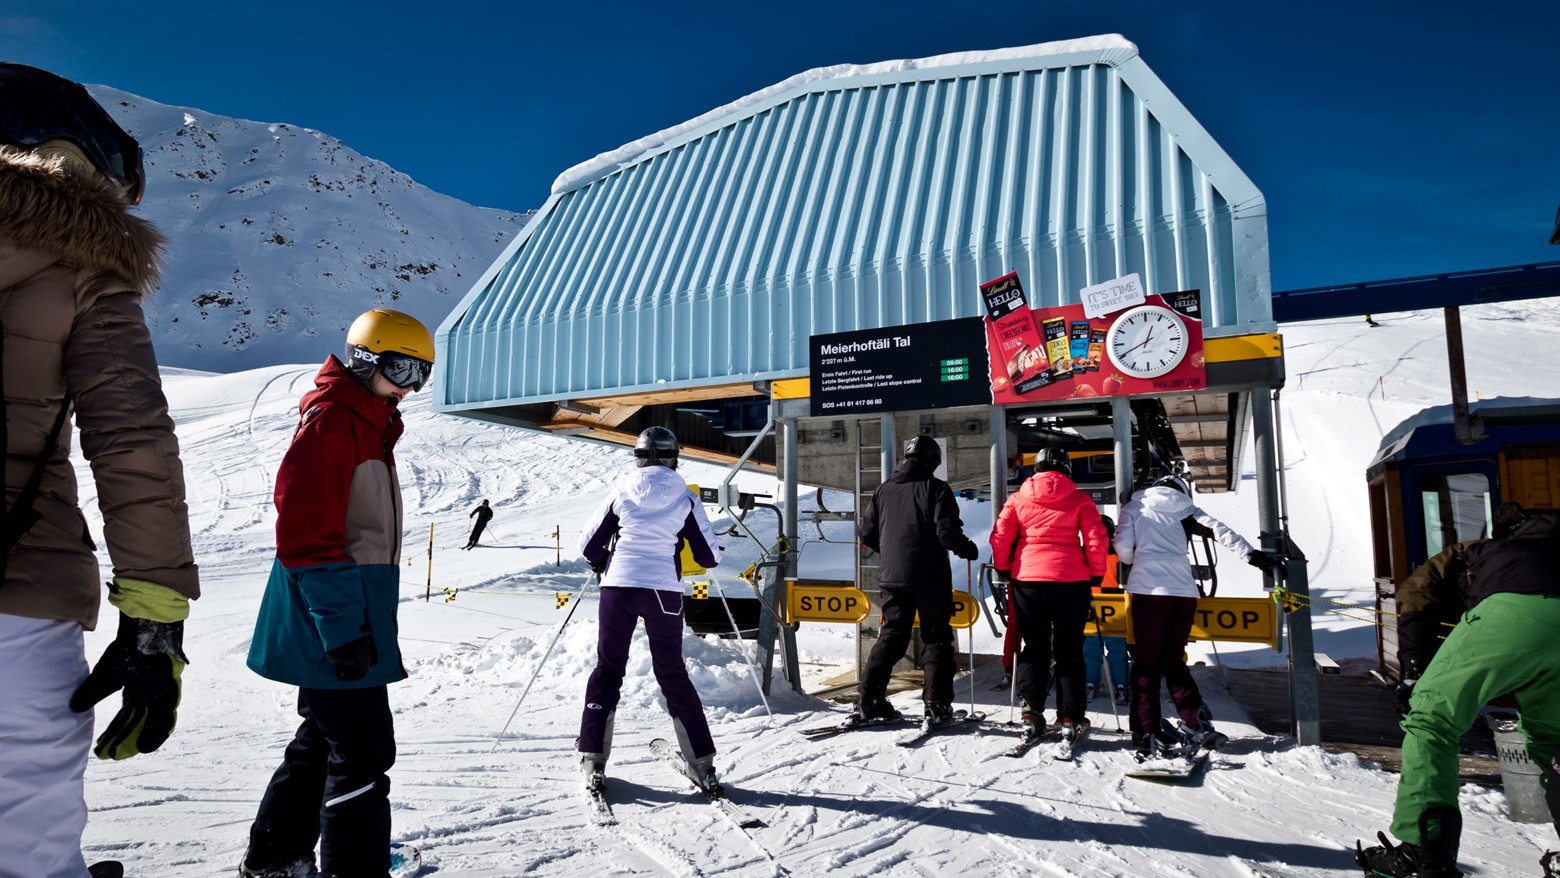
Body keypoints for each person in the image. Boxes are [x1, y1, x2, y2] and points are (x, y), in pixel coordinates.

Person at [0, 63, 200, 878]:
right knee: (29, 843)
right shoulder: (82, 267)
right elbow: (130, 438)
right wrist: (155, 614)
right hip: (18, 597)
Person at [240, 308, 435, 878]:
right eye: (401, 369)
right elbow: (307, 539)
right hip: (330, 621)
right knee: (364, 751)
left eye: (421, 374)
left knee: (322, 742)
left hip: (340, 619)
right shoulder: (333, 423)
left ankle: (276, 857)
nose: (409, 387)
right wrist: (344, 630)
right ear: (364, 359)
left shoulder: (366, 423)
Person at [1358, 505, 1560, 878]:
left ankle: (1421, 854)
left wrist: (1414, 675)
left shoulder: (1476, 549)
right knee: (1555, 740)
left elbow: (1416, 593)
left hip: (1513, 613)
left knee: (1431, 718)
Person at [577, 426, 724, 790]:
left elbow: (588, 544)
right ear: (674, 458)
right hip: (663, 591)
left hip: (619, 587)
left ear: (638, 457)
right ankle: (701, 763)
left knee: (608, 670)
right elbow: (708, 556)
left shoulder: (622, 488)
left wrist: (605, 560)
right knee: (672, 672)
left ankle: (593, 757)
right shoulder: (685, 496)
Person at [1114, 474, 1281, 760]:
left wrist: (1136, 557)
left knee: (1146, 665)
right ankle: (1196, 720)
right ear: (1181, 490)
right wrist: (1255, 557)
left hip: (1147, 591)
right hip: (1183, 592)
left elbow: (1123, 549)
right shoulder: (1187, 508)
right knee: (1173, 662)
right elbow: (1221, 532)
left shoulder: (1134, 507)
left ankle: (1146, 729)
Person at [855, 435, 981, 725]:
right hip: (930, 577)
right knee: (936, 638)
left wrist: (892, 550)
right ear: (933, 460)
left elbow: (866, 533)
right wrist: (967, 549)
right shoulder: (936, 488)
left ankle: (870, 698)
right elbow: (947, 533)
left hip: (891, 577)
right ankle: (937, 704)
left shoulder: (883, 489)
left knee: (892, 635)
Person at [989, 447, 1109, 741]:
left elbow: (1000, 536)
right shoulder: (1079, 499)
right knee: (1070, 650)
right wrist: (1095, 573)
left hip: (1028, 580)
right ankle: (1071, 716)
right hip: (1072, 581)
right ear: (1066, 468)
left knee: (1035, 646)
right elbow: (1096, 537)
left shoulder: (1018, 499)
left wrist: (1004, 567)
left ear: (1036, 469)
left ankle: (1031, 710)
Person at [1083, 515, 1130, 706]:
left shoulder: (1084, 552)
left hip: (1091, 603)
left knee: (1091, 646)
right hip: (1115, 604)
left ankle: (1090, 684)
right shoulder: (1119, 553)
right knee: (1117, 646)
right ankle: (1121, 685)